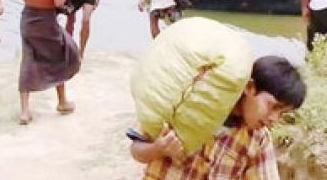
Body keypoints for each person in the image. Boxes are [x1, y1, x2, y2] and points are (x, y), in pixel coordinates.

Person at [130, 55, 306, 179]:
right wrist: (158, 148)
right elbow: (136, 150)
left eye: (281, 113)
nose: (274, 118)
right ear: (250, 88)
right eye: (272, 106)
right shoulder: (188, 104)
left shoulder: (258, 139)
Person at [16, 0, 81, 124]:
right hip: (46, 19)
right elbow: (58, 1)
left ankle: (25, 111)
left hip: (28, 17)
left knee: (28, 59)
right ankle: (61, 101)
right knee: (61, 54)